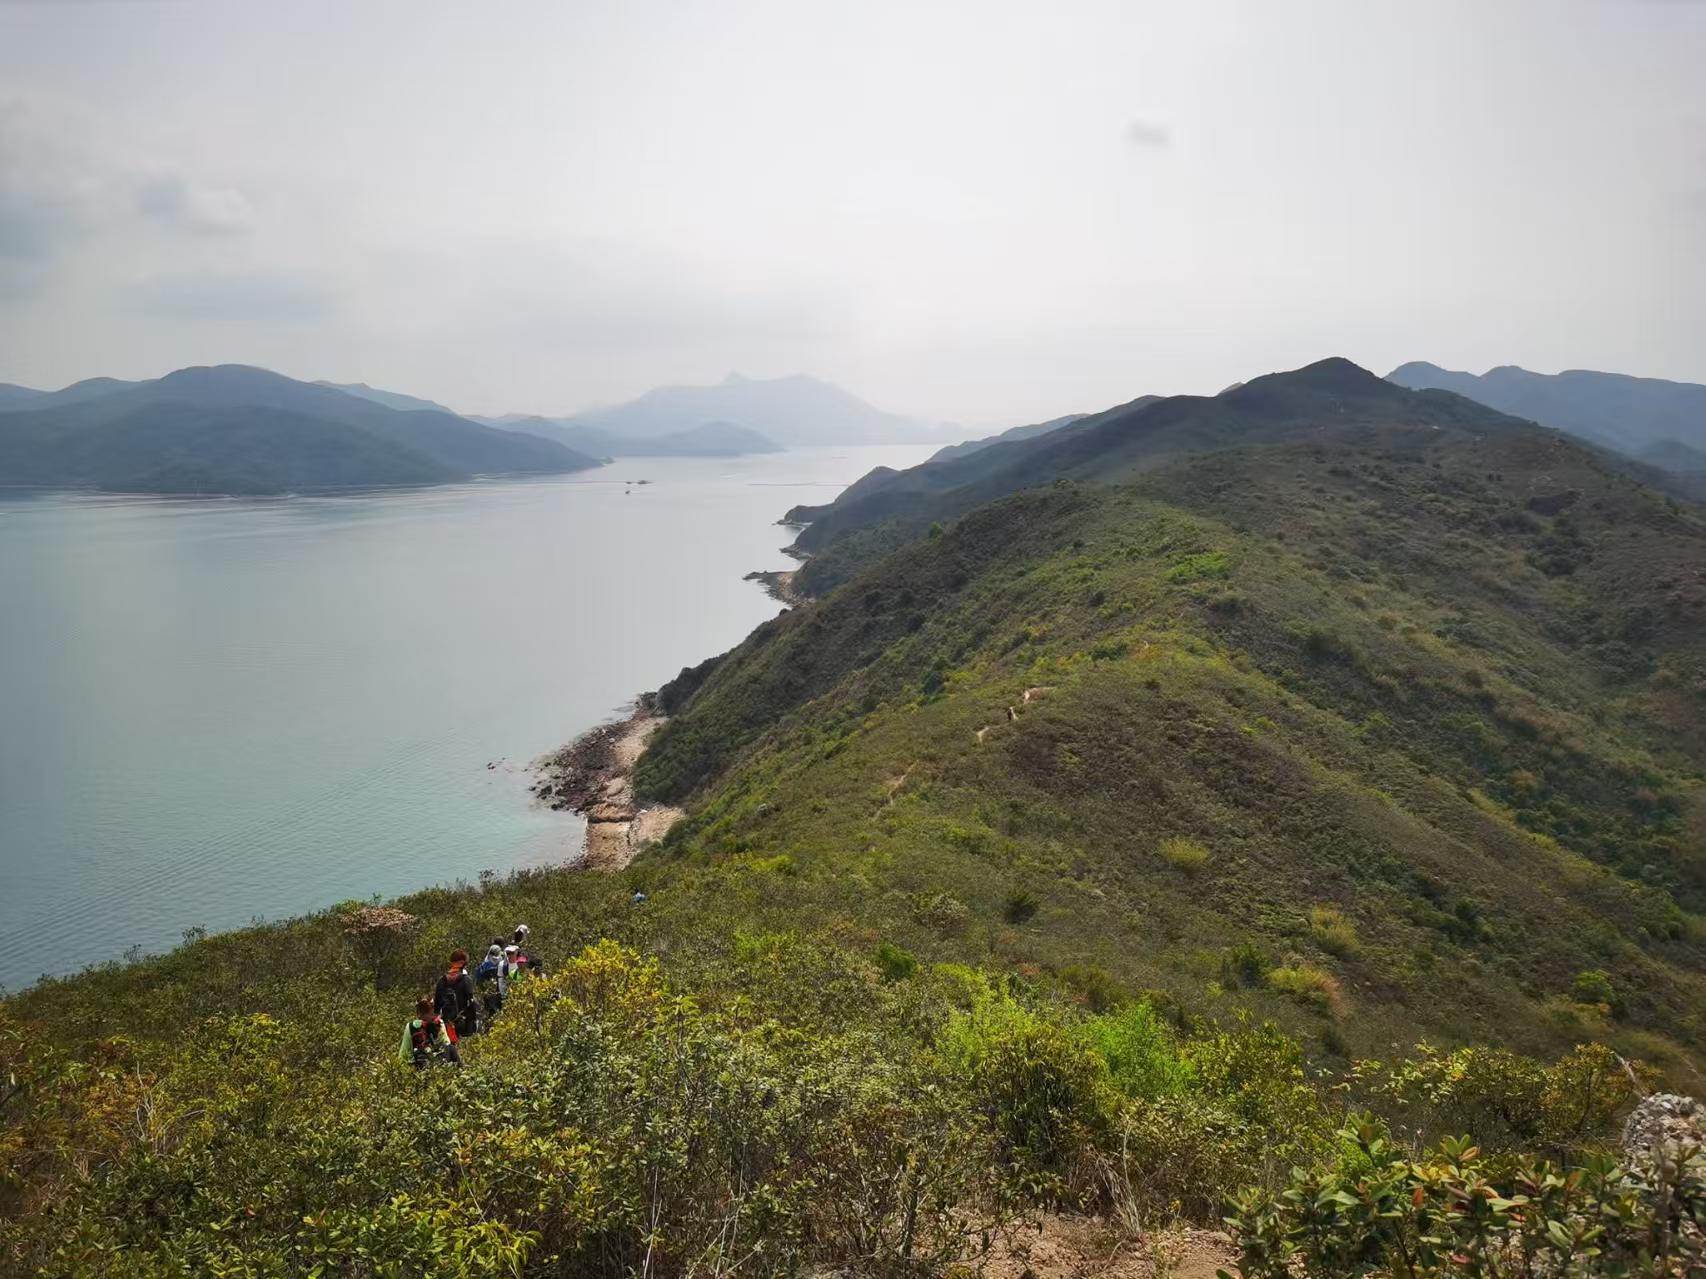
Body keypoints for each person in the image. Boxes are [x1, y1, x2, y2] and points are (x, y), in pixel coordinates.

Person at [400, 997, 461, 1069]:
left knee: (451, 1048)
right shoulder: (438, 1023)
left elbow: (404, 1053)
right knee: (451, 1048)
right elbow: (446, 1043)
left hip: (426, 1063)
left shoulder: (411, 1026)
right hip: (435, 1062)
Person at [434, 949, 481, 1039]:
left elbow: (437, 1006)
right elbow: (471, 1003)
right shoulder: (466, 980)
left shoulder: (442, 981)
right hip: (463, 1023)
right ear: (462, 963)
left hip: (446, 1024)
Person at [476, 942, 507, 1016]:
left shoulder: (482, 966)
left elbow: (478, 982)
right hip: (501, 998)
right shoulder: (503, 965)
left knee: (491, 1015)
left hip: (488, 999)